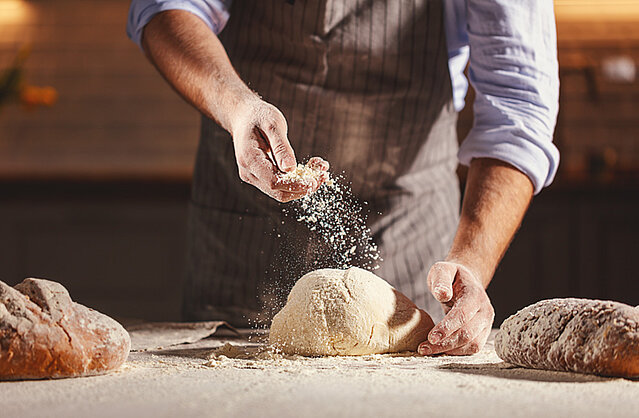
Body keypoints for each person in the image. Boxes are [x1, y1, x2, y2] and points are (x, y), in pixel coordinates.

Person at [127, 0, 559, 356]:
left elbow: (517, 106)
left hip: (408, 235)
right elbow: (167, 8)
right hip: (242, 231)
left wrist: (471, 263)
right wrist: (238, 107)